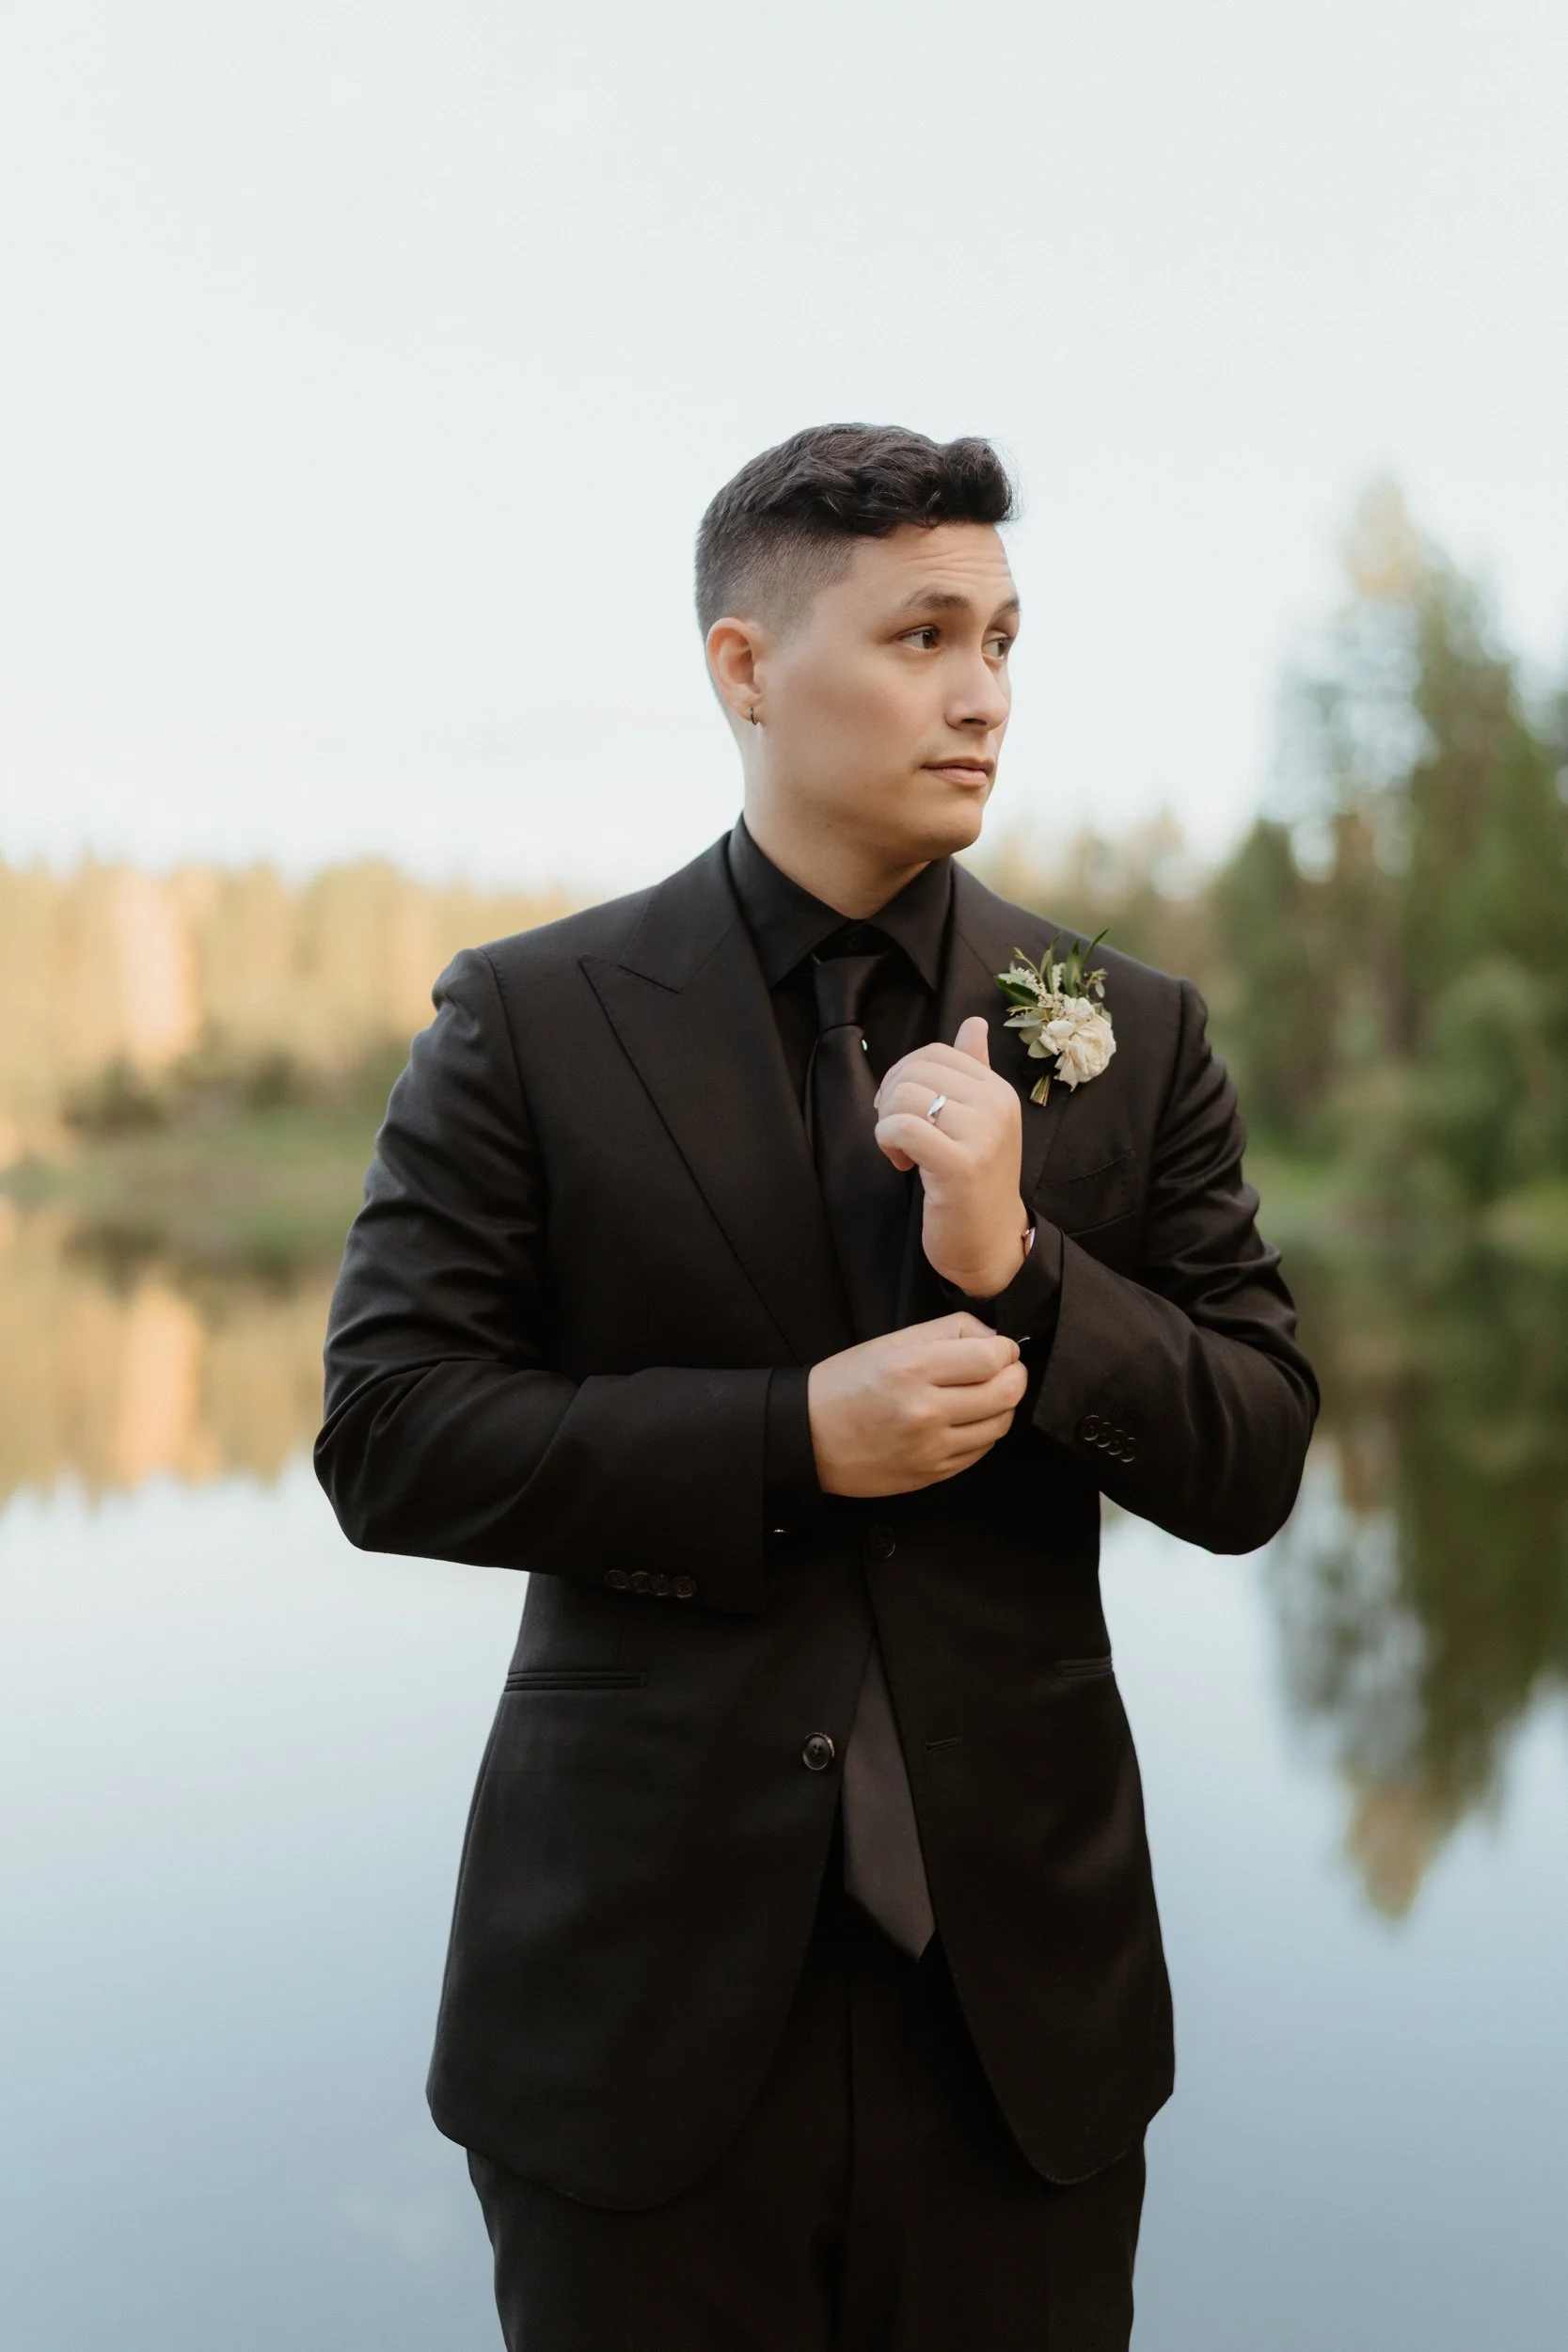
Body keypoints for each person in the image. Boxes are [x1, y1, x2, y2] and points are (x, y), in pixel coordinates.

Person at [315, 422, 1317, 2349]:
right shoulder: (526, 1018)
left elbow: (1253, 1451)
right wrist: (789, 1440)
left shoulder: (1124, 1031)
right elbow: (388, 1431)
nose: (981, 693)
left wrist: (1024, 1279)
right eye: (923, 634)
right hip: (634, 2019)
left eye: (1004, 638)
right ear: (745, 670)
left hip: (1018, 2018)